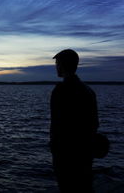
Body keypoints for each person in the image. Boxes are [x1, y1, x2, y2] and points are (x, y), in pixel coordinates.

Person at [50, 49, 99, 192]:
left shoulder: (61, 90)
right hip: (85, 154)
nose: (56, 67)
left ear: (62, 65)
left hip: (66, 155)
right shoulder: (88, 90)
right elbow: (95, 123)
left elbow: (57, 125)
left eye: (57, 63)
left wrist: (56, 148)